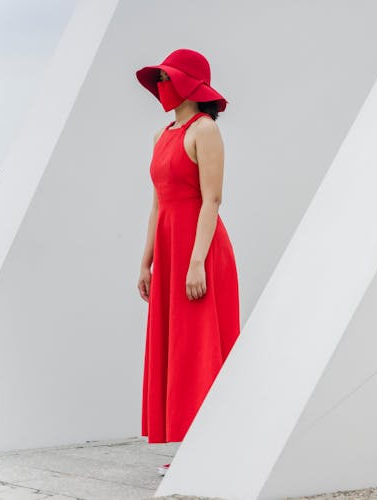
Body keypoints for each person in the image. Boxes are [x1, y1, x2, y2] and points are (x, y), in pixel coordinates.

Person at [135, 48, 241, 476]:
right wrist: (146, 262)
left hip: (201, 250)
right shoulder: (164, 135)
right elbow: (159, 203)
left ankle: (214, 446)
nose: (162, 85)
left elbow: (212, 198)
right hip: (171, 248)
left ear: (189, 84)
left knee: (199, 345)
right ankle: (191, 446)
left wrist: (196, 262)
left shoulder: (204, 131)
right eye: (159, 78)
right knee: (176, 346)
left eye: (168, 77)